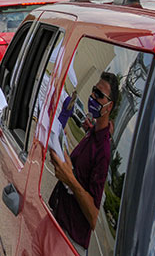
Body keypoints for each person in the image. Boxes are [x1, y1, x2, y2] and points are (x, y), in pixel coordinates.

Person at [48, 72, 119, 252]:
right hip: (57, 217)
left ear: (109, 107)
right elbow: (78, 170)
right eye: (94, 91)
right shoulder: (92, 133)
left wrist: (69, 178)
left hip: (70, 238)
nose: (93, 96)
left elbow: (94, 216)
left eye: (100, 95)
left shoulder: (103, 151)